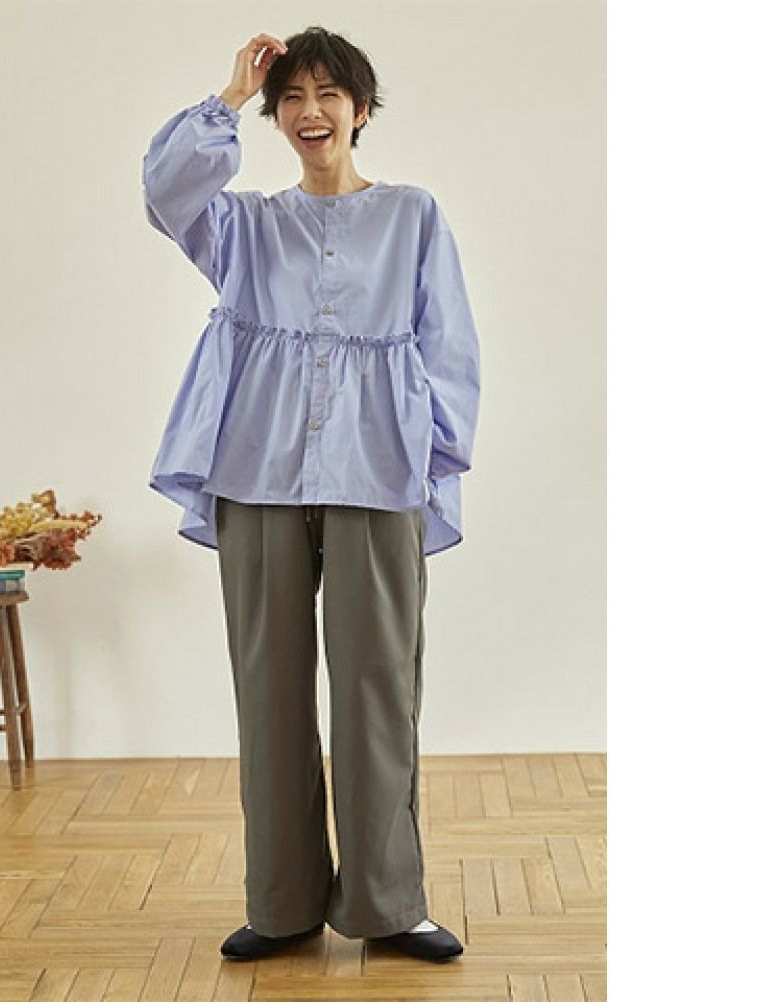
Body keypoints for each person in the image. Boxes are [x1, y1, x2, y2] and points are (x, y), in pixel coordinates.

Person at [141, 26, 480, 964]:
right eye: (291, 97)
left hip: (378, 470)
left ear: (361, 110)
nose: (310, 112)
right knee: (269, 687)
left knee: (378, 686)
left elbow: (448, 344)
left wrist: (432, 456)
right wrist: (229, 94)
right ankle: (282, 902)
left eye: (329, 94)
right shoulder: (245, 227)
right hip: (258, 469)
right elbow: (166, 192)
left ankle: (388, 903)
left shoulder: (412, 215)